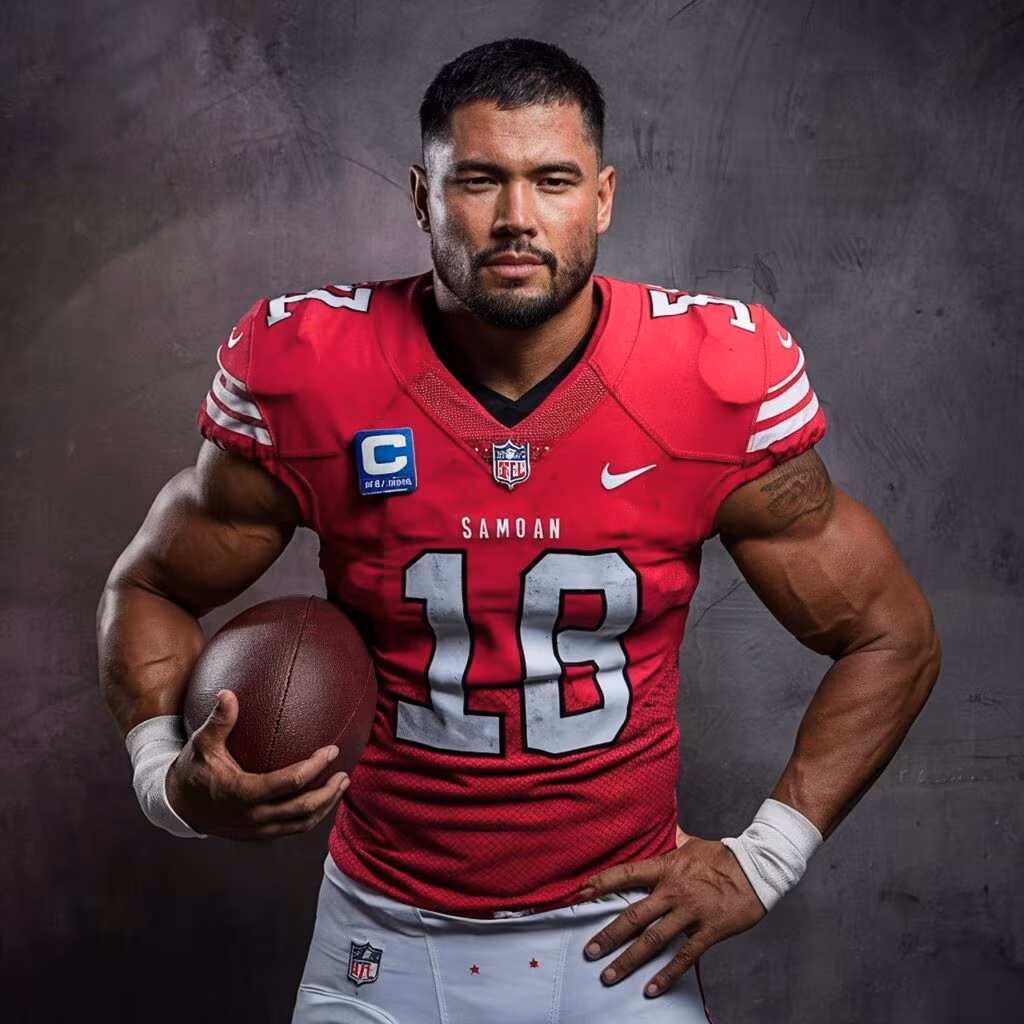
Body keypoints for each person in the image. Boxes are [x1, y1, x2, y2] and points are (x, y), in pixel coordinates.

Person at [97, 37, 940, 1024]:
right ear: (420, 197)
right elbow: (152, 585)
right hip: (382, 928)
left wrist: (766, 856)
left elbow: (890, 632)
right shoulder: (312, 368)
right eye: (478, 181)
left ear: (604, 197)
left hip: (619, 940)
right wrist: (166, 779)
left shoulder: (709, 377)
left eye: (552, 181)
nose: (516, 219)